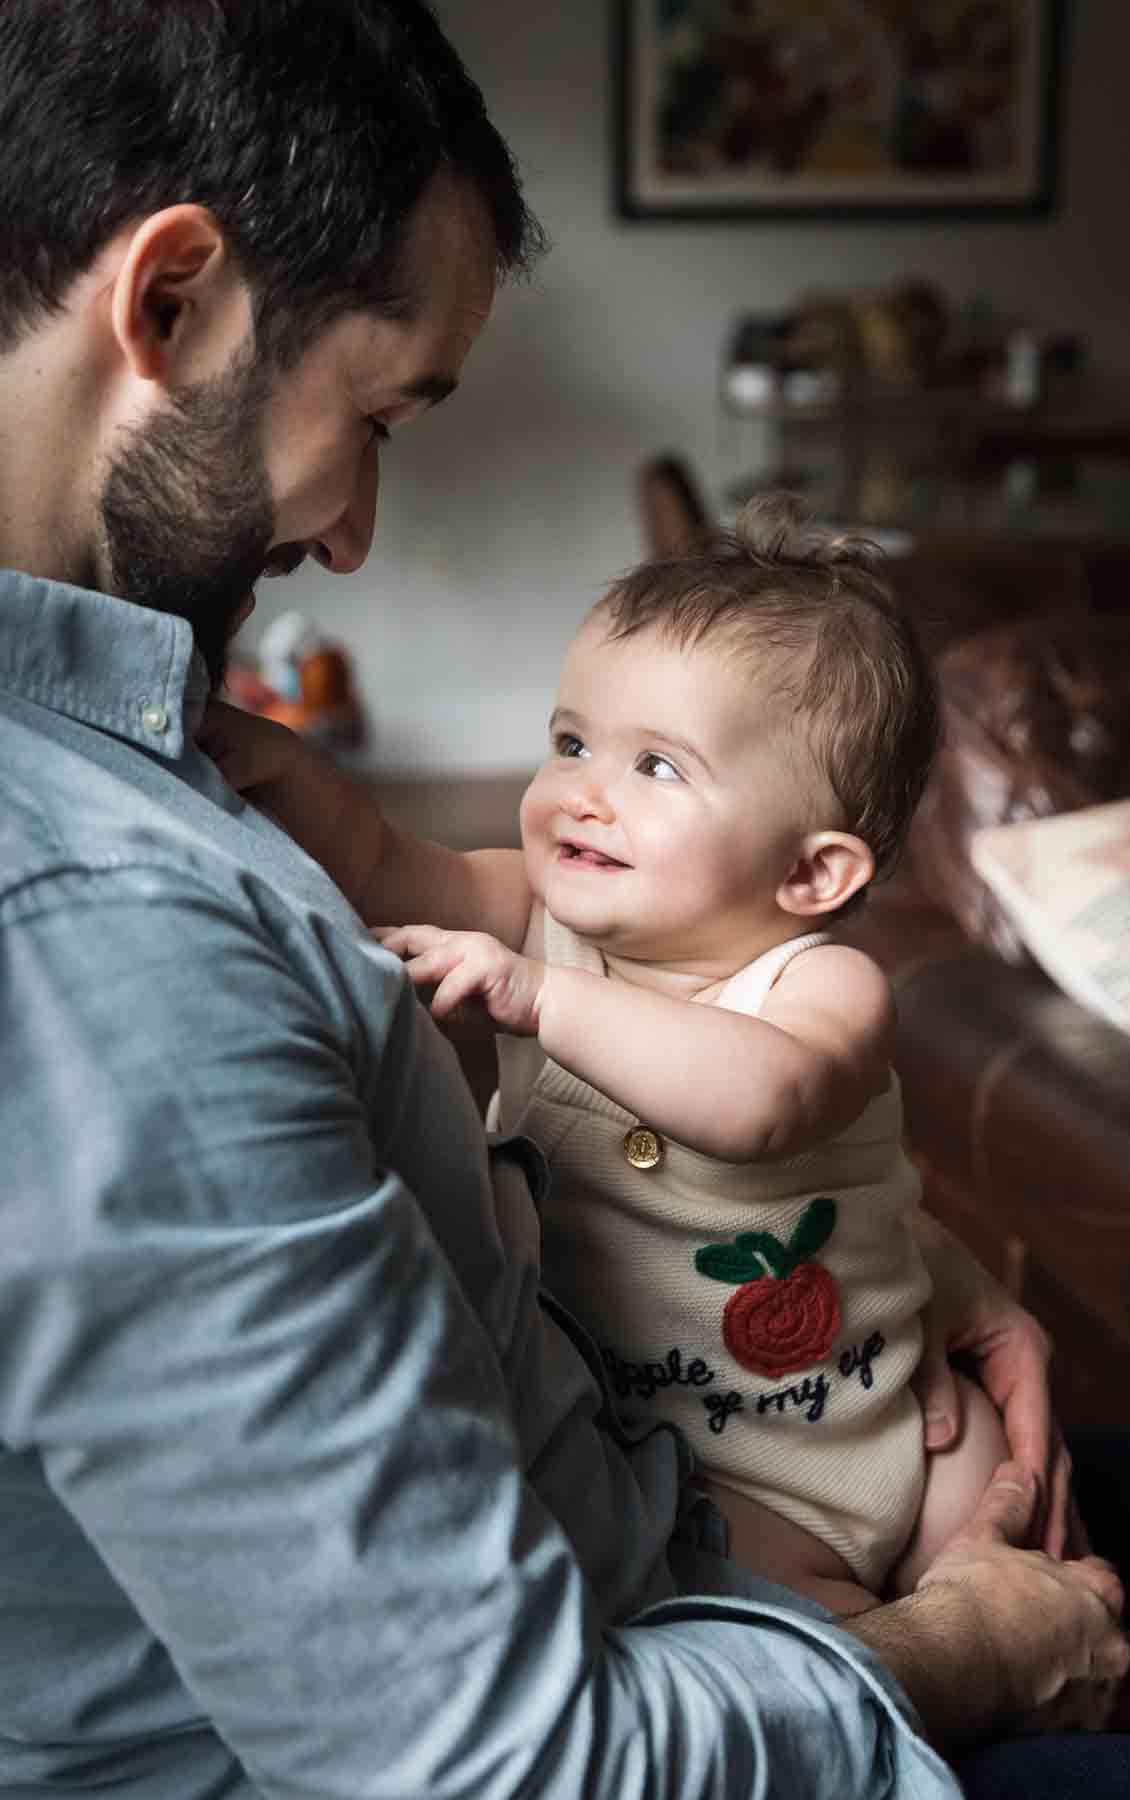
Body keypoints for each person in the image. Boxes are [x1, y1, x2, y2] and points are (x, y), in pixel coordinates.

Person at [0, 3, 1130, 1797]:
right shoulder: (96, 913)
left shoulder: (136, 748)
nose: (353, 538)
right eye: (381, 415)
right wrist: (967, 1650)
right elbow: (505, 1757)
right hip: (683, 1640)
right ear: (168, 302)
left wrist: (917, 1273)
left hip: (696, 1470)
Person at [213, 498, 1013, 1619]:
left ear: (811, 875)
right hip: (713, 1471)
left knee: (1029, 1563)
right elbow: (381, 859)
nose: (584, 790)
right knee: (797, 1633)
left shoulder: (818, 983)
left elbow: (762, 1100)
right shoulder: (540, 910)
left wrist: (543, 1001)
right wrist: (271, 759)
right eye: (572, 742)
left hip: (893, 1421)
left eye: (659, 768)